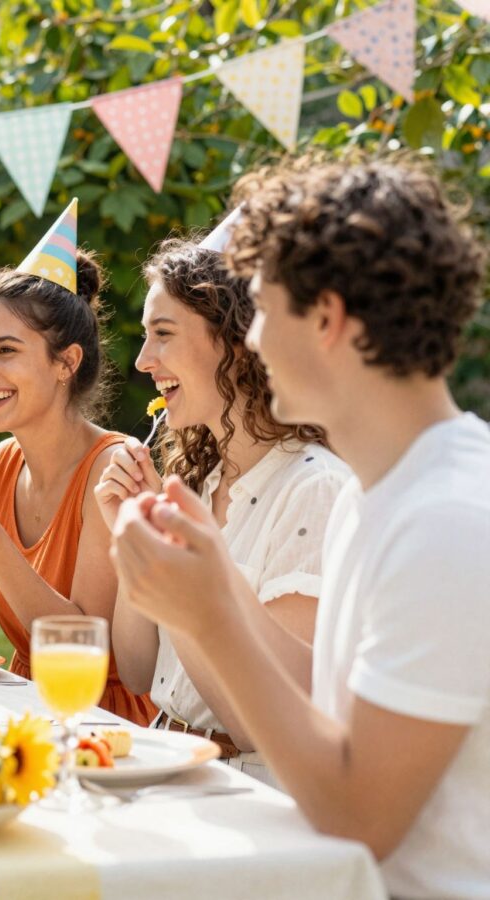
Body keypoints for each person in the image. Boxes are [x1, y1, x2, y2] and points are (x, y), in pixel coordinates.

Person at [110, 155, 489, 897]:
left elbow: (359, 817)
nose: (250, 340)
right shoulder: (376, 494)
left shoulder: (447, 518)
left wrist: (211, 613)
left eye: (264, 309)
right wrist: (210, 576)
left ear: (326, 319)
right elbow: (324, 705)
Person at [95, 234, 349, 781]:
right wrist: (131, 542)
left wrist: (181, 586)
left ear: (236, 343)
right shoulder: (199, 481)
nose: (143, 361)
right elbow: (138, 673)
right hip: (165, 759)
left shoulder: (314, 490)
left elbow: (260, 725)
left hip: (246, 784)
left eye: (162, 335)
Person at [0, 200, 156, 726]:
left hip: (103, 724)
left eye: (6, 351)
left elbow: (87, 648)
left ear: (66, 362)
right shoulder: (0, 463)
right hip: (25, 711)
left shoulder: (111, 470)